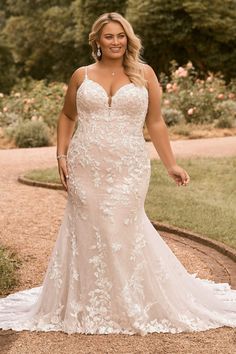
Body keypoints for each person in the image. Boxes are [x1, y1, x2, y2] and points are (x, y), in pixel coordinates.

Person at [0, 12, 236, 335]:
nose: (116, 42)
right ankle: (88, 303)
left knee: (123, 228)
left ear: (129, 38)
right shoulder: (81, 76)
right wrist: (61, 154)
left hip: (130, 166)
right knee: (89, 229)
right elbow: (67, 117)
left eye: (121, 36)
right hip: (87, 166)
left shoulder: (145, 74)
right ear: (97, 40)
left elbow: (156, 122)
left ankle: (129, 301)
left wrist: (171, 164)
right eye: (109, 36)